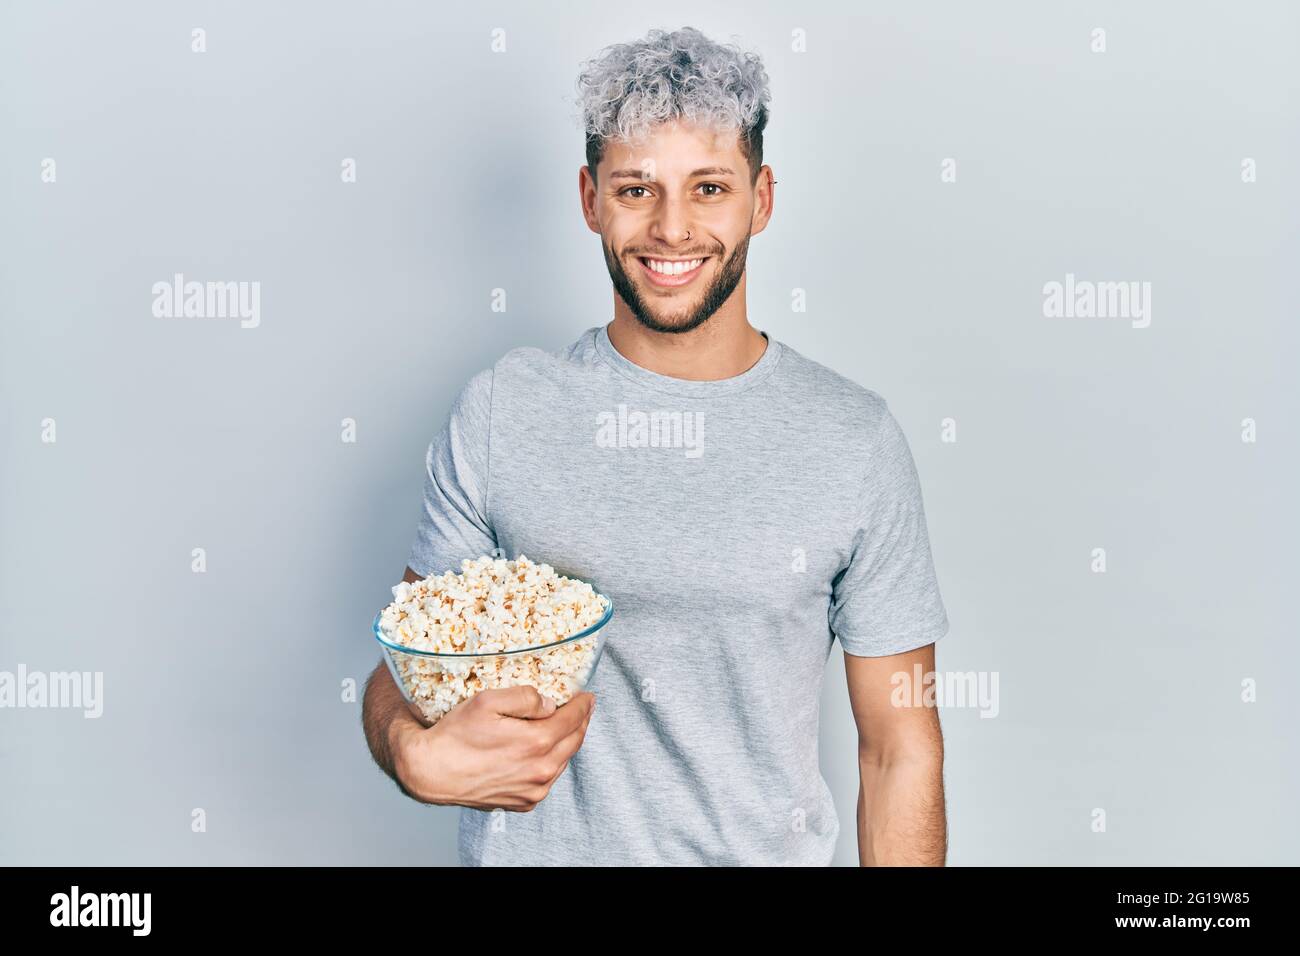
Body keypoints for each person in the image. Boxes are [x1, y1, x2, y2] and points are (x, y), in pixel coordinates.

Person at [362, 26, 951, 866]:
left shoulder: (852, 441)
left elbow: (899, 746)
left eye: (709, 187)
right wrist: (408, 751)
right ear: (590, 198)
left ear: (763, 198)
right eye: (637, 190)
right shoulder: (504, 413)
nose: (673, 229)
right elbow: (403, 665)